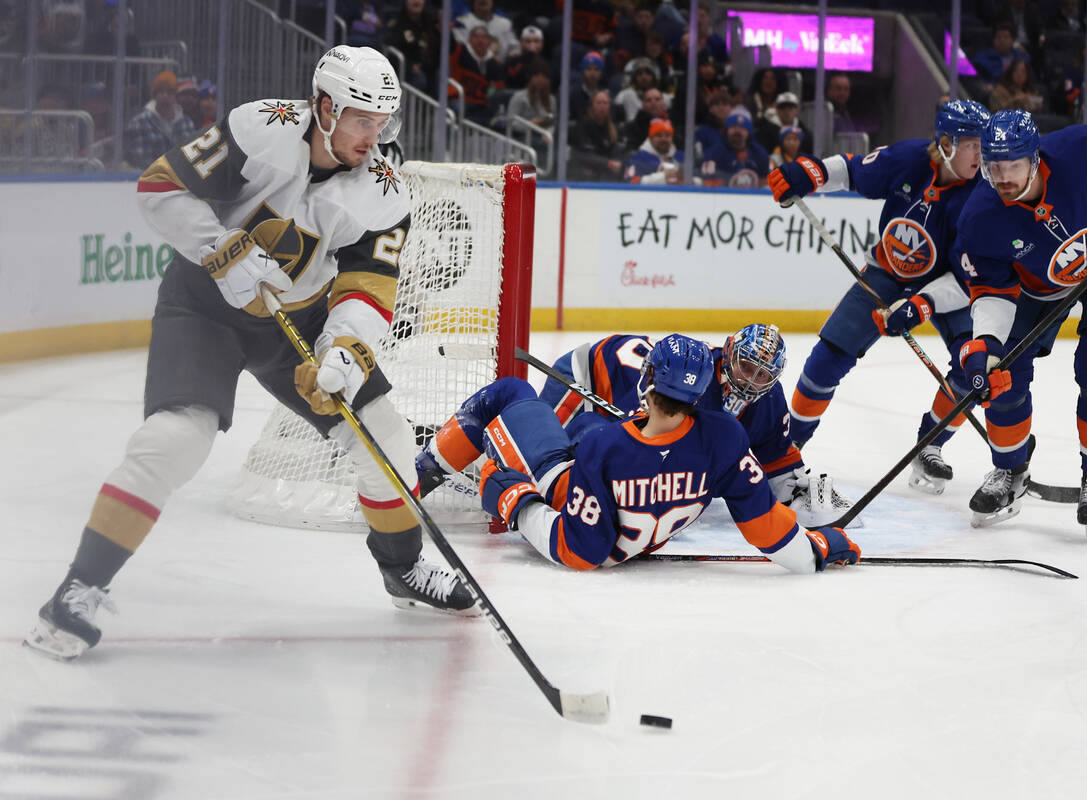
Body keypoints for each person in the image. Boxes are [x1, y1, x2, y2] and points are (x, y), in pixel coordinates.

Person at [24, 45, 479, 663]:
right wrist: (219, 246)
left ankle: (402, 568)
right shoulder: (260, 128)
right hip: (203, 306)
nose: (374, 138)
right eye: (361, 120)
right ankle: (77, 590)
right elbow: (159, 186)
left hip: (298, 322)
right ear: (325, 108)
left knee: (385, 437)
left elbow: (369, 289)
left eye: (382, 123)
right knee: (174, 440)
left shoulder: (384, 191)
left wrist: (344, 352)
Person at [418, 334, 862, 572]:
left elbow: (579, 550)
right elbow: (770, 529)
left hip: (571, 500)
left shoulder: (603, 445)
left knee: (511, 393)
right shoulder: (726, 439)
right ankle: (486, 453)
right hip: (643, 531)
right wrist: (820, 548)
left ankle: (419, 475)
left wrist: (517, 503)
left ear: (647, 380)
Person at [953, 109, 1087, 534]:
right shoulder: (980, 217)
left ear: (1035, 158)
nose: (1003, 177)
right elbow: (992, 291)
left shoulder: (1078, 149)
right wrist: (987, 345)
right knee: (1004, 371)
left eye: (1013, 165)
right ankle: (1010, 470)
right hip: (1038, 287)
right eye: (995, 167)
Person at [766, 100, 992, 497]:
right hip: (888, 273)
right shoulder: (909, 159)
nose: (981, 154)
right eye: (972, 144)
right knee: (827, 357)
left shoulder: (983, 196)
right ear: (946, 144)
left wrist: (921, 305)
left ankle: (931, 444)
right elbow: (854, 170)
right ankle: (787, 447)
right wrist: (809, 173)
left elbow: (968, 279)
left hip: (951, 285)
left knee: (974, 366)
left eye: (983, 144)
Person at [495, 325, 854, 526]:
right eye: (746, 366)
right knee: (553, 459)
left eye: (762, 375)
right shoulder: (691, 381)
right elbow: (632, 442)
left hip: (617, 399)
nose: (750, 380)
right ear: (728, 353)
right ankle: (493, 466)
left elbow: (779, 466)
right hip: (587, 376)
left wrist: (795, 495)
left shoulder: (768, 400)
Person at [124, 70, 197, 170]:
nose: (165, 96)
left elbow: (192, 157)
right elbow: (138, 159)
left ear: (175, 96)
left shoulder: (187, 123)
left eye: (169, 92)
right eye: (161, 92)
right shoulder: (139, 122)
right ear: (154, 96)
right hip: (149, 176)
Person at [699, 111, 771, 187]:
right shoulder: (714, 153)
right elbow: (706, 180)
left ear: (749, 133)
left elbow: (766, 180)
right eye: (733, 127)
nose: (737, 131)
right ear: (726, 131)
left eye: (742, 128)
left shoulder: (759, 153)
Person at [624, 118, 685, 183]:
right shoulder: (637, 158)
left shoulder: (681, 157)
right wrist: (663, 177)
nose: (663, 139)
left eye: (667, 135)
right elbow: (632, 182)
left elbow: (693, 178)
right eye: (659, 135)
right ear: (651, 138)